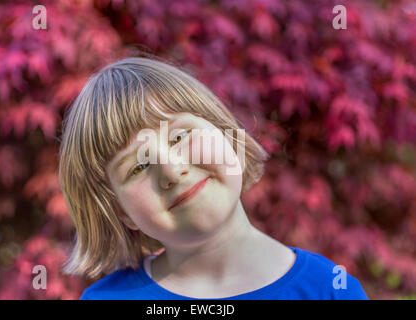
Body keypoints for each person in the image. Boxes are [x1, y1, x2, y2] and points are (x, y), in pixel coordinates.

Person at [58, 57, 369, 300]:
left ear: (228, 136)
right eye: (138, 167)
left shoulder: (330, 290)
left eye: (180, 136)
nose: (171, 170)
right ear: (121, 211)